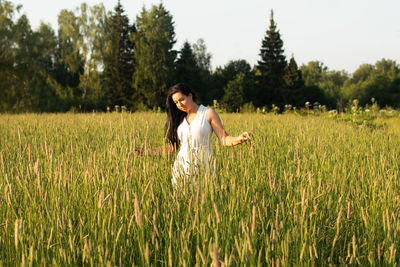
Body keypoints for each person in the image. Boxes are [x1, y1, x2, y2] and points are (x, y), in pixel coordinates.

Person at [136, 83, 251, 188]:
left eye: (182, 99)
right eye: (176, 102)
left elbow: (224, 139)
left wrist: (239, 139)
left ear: (190, 96)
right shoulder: (179, 120)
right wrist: (147, 152)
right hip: (181, 170)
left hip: (204, 168)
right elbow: (172, 148)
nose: (179, 104)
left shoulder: (208, 113)